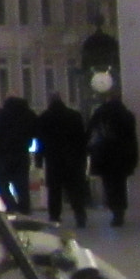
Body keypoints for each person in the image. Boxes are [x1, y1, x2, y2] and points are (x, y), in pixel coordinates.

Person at [87, 78, 140, 226]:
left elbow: (90, 131)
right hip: (122, 156)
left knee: (108, 184)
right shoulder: (127, 115)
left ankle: (114, 210)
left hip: (104, 155)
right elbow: (132, 138)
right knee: (120, 184)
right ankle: (119, 212)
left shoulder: (101, 113)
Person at [35, 93, 90, 228]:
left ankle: (54, 217)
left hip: (53, 159)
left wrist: (39, 160)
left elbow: (40, 141)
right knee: (75, 189)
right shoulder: (74, 116)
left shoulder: (44, 118)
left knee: (54, 190)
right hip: (74, 159)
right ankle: (80, 215)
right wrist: (84, 157)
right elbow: (82, 138)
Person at [0, 92, 39, 213]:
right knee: (22, 187)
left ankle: (12, 207)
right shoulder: (29, 115)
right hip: (21, 156)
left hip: (1, 157)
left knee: (1, 186)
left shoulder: (1, 115)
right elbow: (38, 132)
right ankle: (24, 211)